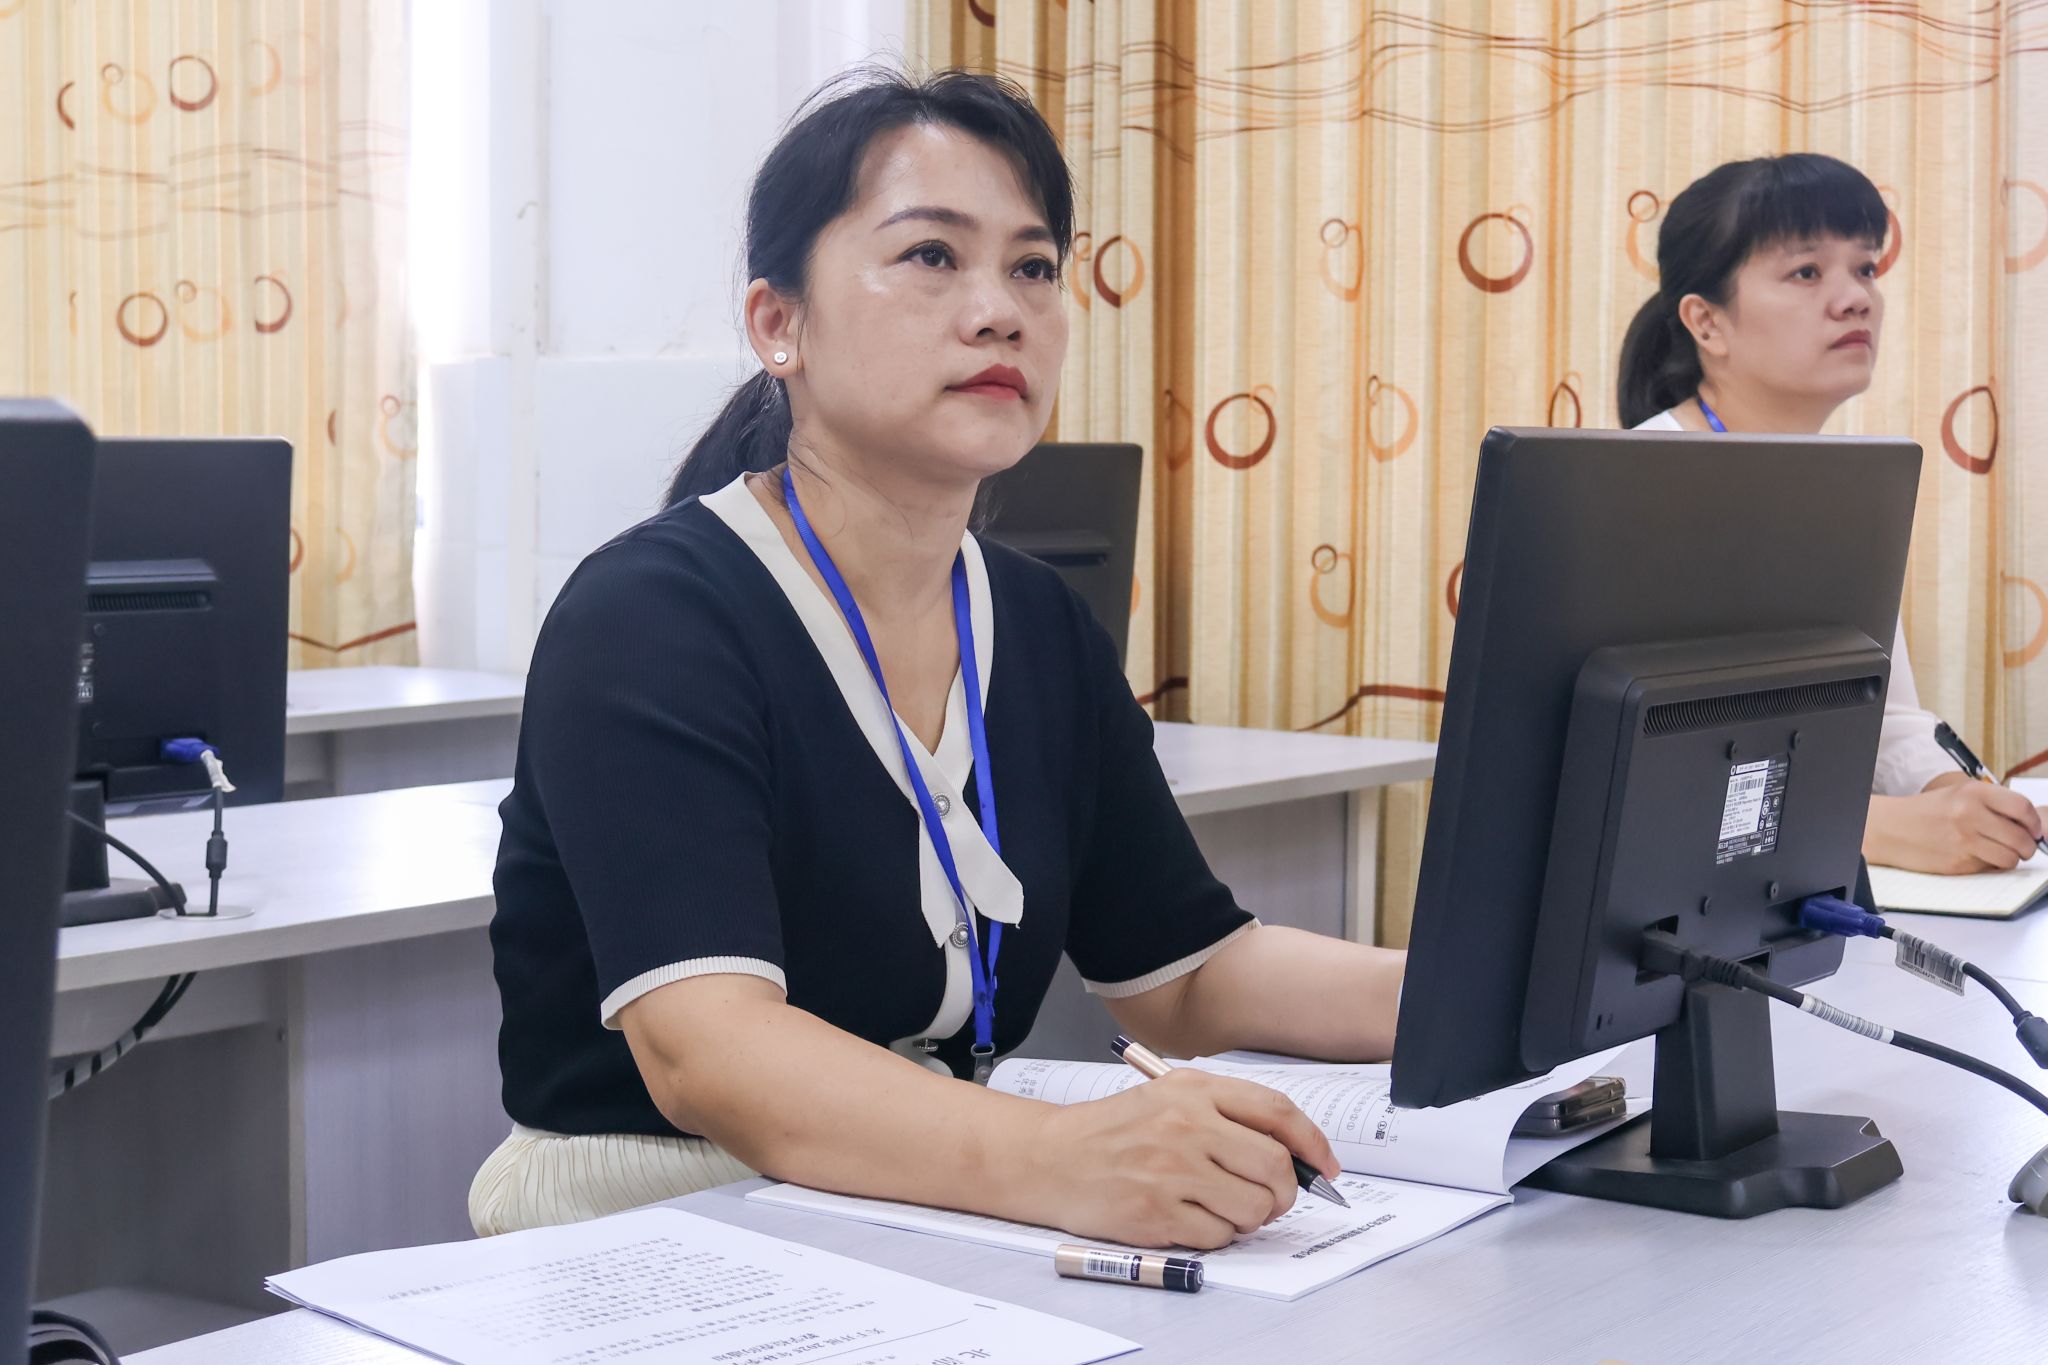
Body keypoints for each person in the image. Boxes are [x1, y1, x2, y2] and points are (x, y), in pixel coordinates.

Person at [471, 69, 1407, 1250]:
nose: (999, 311)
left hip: (928, 1192)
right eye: (930, 256)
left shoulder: (1037, 621)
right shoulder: (651, 614)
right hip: (654, 1213)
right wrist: (1064, 1156)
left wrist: (1474, 1000)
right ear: (777, 324)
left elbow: (1185, 974)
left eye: (1033, 268)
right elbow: (708, 1051)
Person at [1618, 152, 2044, 877]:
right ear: (1707, 322)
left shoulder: (1846, 490)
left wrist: (1954, 796)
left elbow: (1887, 719)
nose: (1856, 299)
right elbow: (1632, 774)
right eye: (1806, 272)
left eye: (1866, 268)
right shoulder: (1633, 488)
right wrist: (1867, 827)